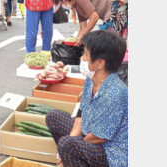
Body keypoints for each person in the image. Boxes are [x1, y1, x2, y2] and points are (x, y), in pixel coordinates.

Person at [46, 30, 128, 167]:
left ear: (100, 63)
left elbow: (98, 137)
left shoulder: (115, 93)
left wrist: (68, 148)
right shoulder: (91, 80)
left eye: (86, 54)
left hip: (110, 152)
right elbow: (81, 112)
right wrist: (66, 149)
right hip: (91, 134)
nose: (82, 58)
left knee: (67, 145)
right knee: (53, 117)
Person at [63, 0, 128, 46]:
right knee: (111, 44)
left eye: (63, 2)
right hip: (111, 11)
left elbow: (94, 17)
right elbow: (83, 28)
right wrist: (77, 40)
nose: (63, 4)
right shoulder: (77, 7)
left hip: (116, 6)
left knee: (108, 43)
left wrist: (82, 36)